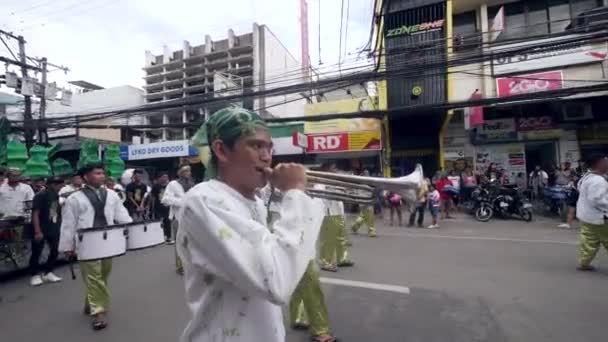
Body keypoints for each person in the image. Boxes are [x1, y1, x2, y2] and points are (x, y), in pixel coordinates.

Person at [177, 107, 325, 342]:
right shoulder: (203, 200)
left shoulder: (255, 201)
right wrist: (295, 194)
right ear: (222, 150)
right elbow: (276, 281)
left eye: (269, 148)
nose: (267, 157)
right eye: (256, 146)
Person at [59, 163, 132, 330]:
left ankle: (90, 303)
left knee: (103, 275)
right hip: (86, 243)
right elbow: (68, 224)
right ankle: (99, 312)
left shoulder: (112, 195)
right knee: (93, 277)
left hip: (108, 241)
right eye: (97, 173)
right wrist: (68, 246)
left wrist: (131, 229)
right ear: (86, 177)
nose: (102, 176)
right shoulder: (74, 198)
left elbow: (121, 214)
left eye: (102, 173)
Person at [29, 176, 64, 286]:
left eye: (59, 184)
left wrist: (57, 225)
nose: (59, 186)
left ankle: (48, 272)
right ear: (49, 184)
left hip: (52, 227)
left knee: (55, 250)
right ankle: (34, 275)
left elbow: (53, 211)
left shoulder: (55, 195)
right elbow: (35, 213)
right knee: (37, 252)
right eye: (56, 184)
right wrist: (37, 231)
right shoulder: (40, 195)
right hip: (40, 227)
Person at [575, 154, 608, 271]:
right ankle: (584, 262)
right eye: (605, 161)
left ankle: (584, 262)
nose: (607, 164)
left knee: (588, 241)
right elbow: (597, 199)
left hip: (586, 216)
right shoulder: (598, 180)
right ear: (599, 164)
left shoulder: (587, 177)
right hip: (599, 217)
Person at [162, 165, 194, 273]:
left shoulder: (191, 184)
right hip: (178, 218)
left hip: (191, 218)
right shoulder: (173, 184)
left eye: (189, 171)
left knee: (191, 243)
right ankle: (179, 266)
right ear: (180, 173)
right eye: (185, 171)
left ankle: (190, 265)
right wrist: (182, 202)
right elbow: (165, 199)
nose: (188, 173)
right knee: (180, 243)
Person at [150, 172, 171, 243]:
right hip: (158, 206)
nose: (165, 178)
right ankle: (158, 237)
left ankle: (168, 236)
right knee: (158, 221)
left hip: (166, 206)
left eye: (166, 177)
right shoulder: (156, 186)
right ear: (160, 178)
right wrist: (151, 207)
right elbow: (152, 197)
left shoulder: (169, 186)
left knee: (167, 221)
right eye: (164, 177)